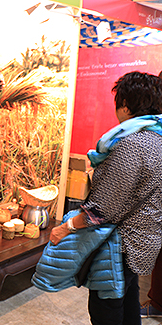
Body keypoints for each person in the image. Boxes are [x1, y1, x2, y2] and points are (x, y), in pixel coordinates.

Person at [50, 71, 162, 325]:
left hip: (122, 245)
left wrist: (66, 227)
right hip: (146, 239)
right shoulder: (158, 139)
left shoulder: (132, 144)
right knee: (128, 298)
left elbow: (103, 210)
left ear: (125, 105)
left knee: (106, 306)